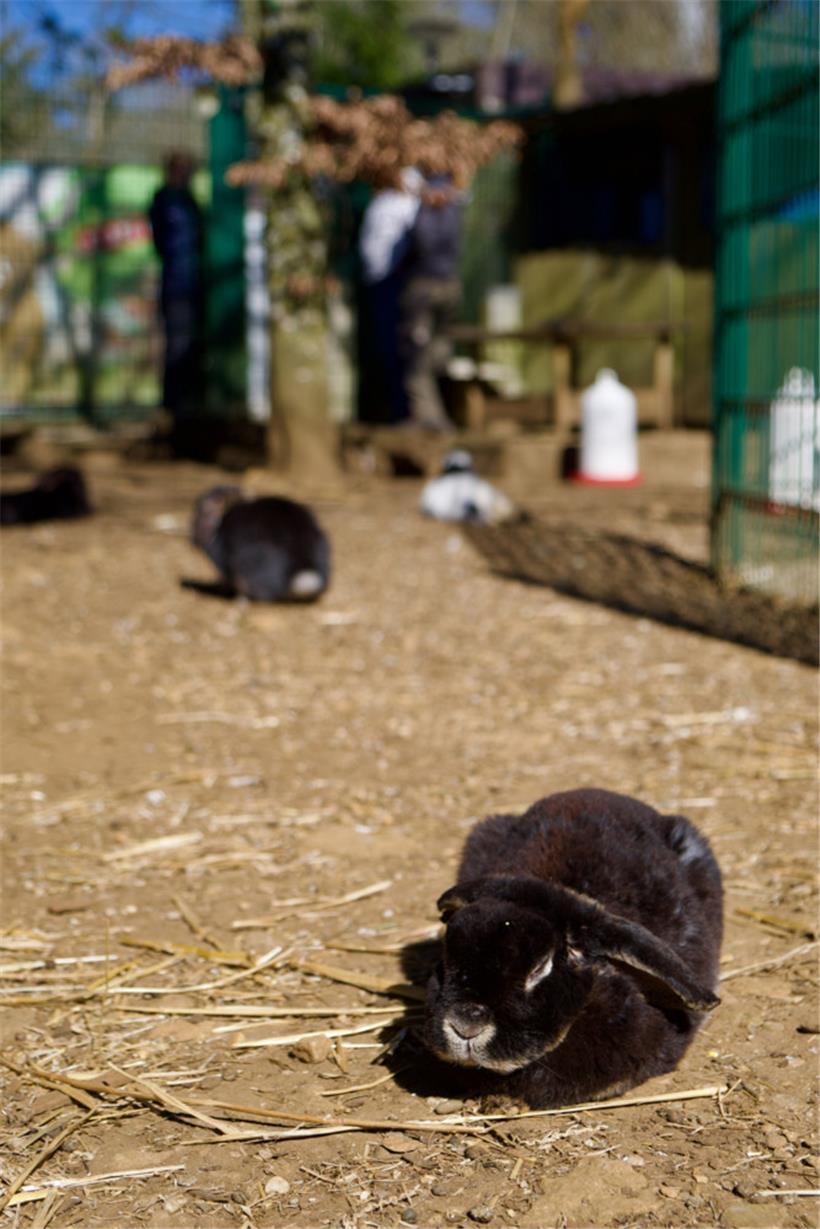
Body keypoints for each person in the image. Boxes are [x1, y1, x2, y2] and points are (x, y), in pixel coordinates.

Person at [358, 167, 423, 424]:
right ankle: (393, 411)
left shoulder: (397, 205)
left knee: (397, 349)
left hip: (393, 282)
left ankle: (401, 412)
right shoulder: (394, 204)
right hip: (383, 282)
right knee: (387, 349)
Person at [149, 152, 204, 451]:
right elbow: (164, 243)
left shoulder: (188, 200)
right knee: (177, 345)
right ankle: (172, 409)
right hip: (177, 284)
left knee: (190, 346)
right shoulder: (166, 201)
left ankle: (186, 408)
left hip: (193, 283)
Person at [400, 175, 465, 430]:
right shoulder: (454, 213)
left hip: (427, 290)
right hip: (448, 287)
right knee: (433, 353)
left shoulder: (430, 215)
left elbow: (421, 242)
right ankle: (434, 414)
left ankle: (428, 416)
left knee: (418, 357)